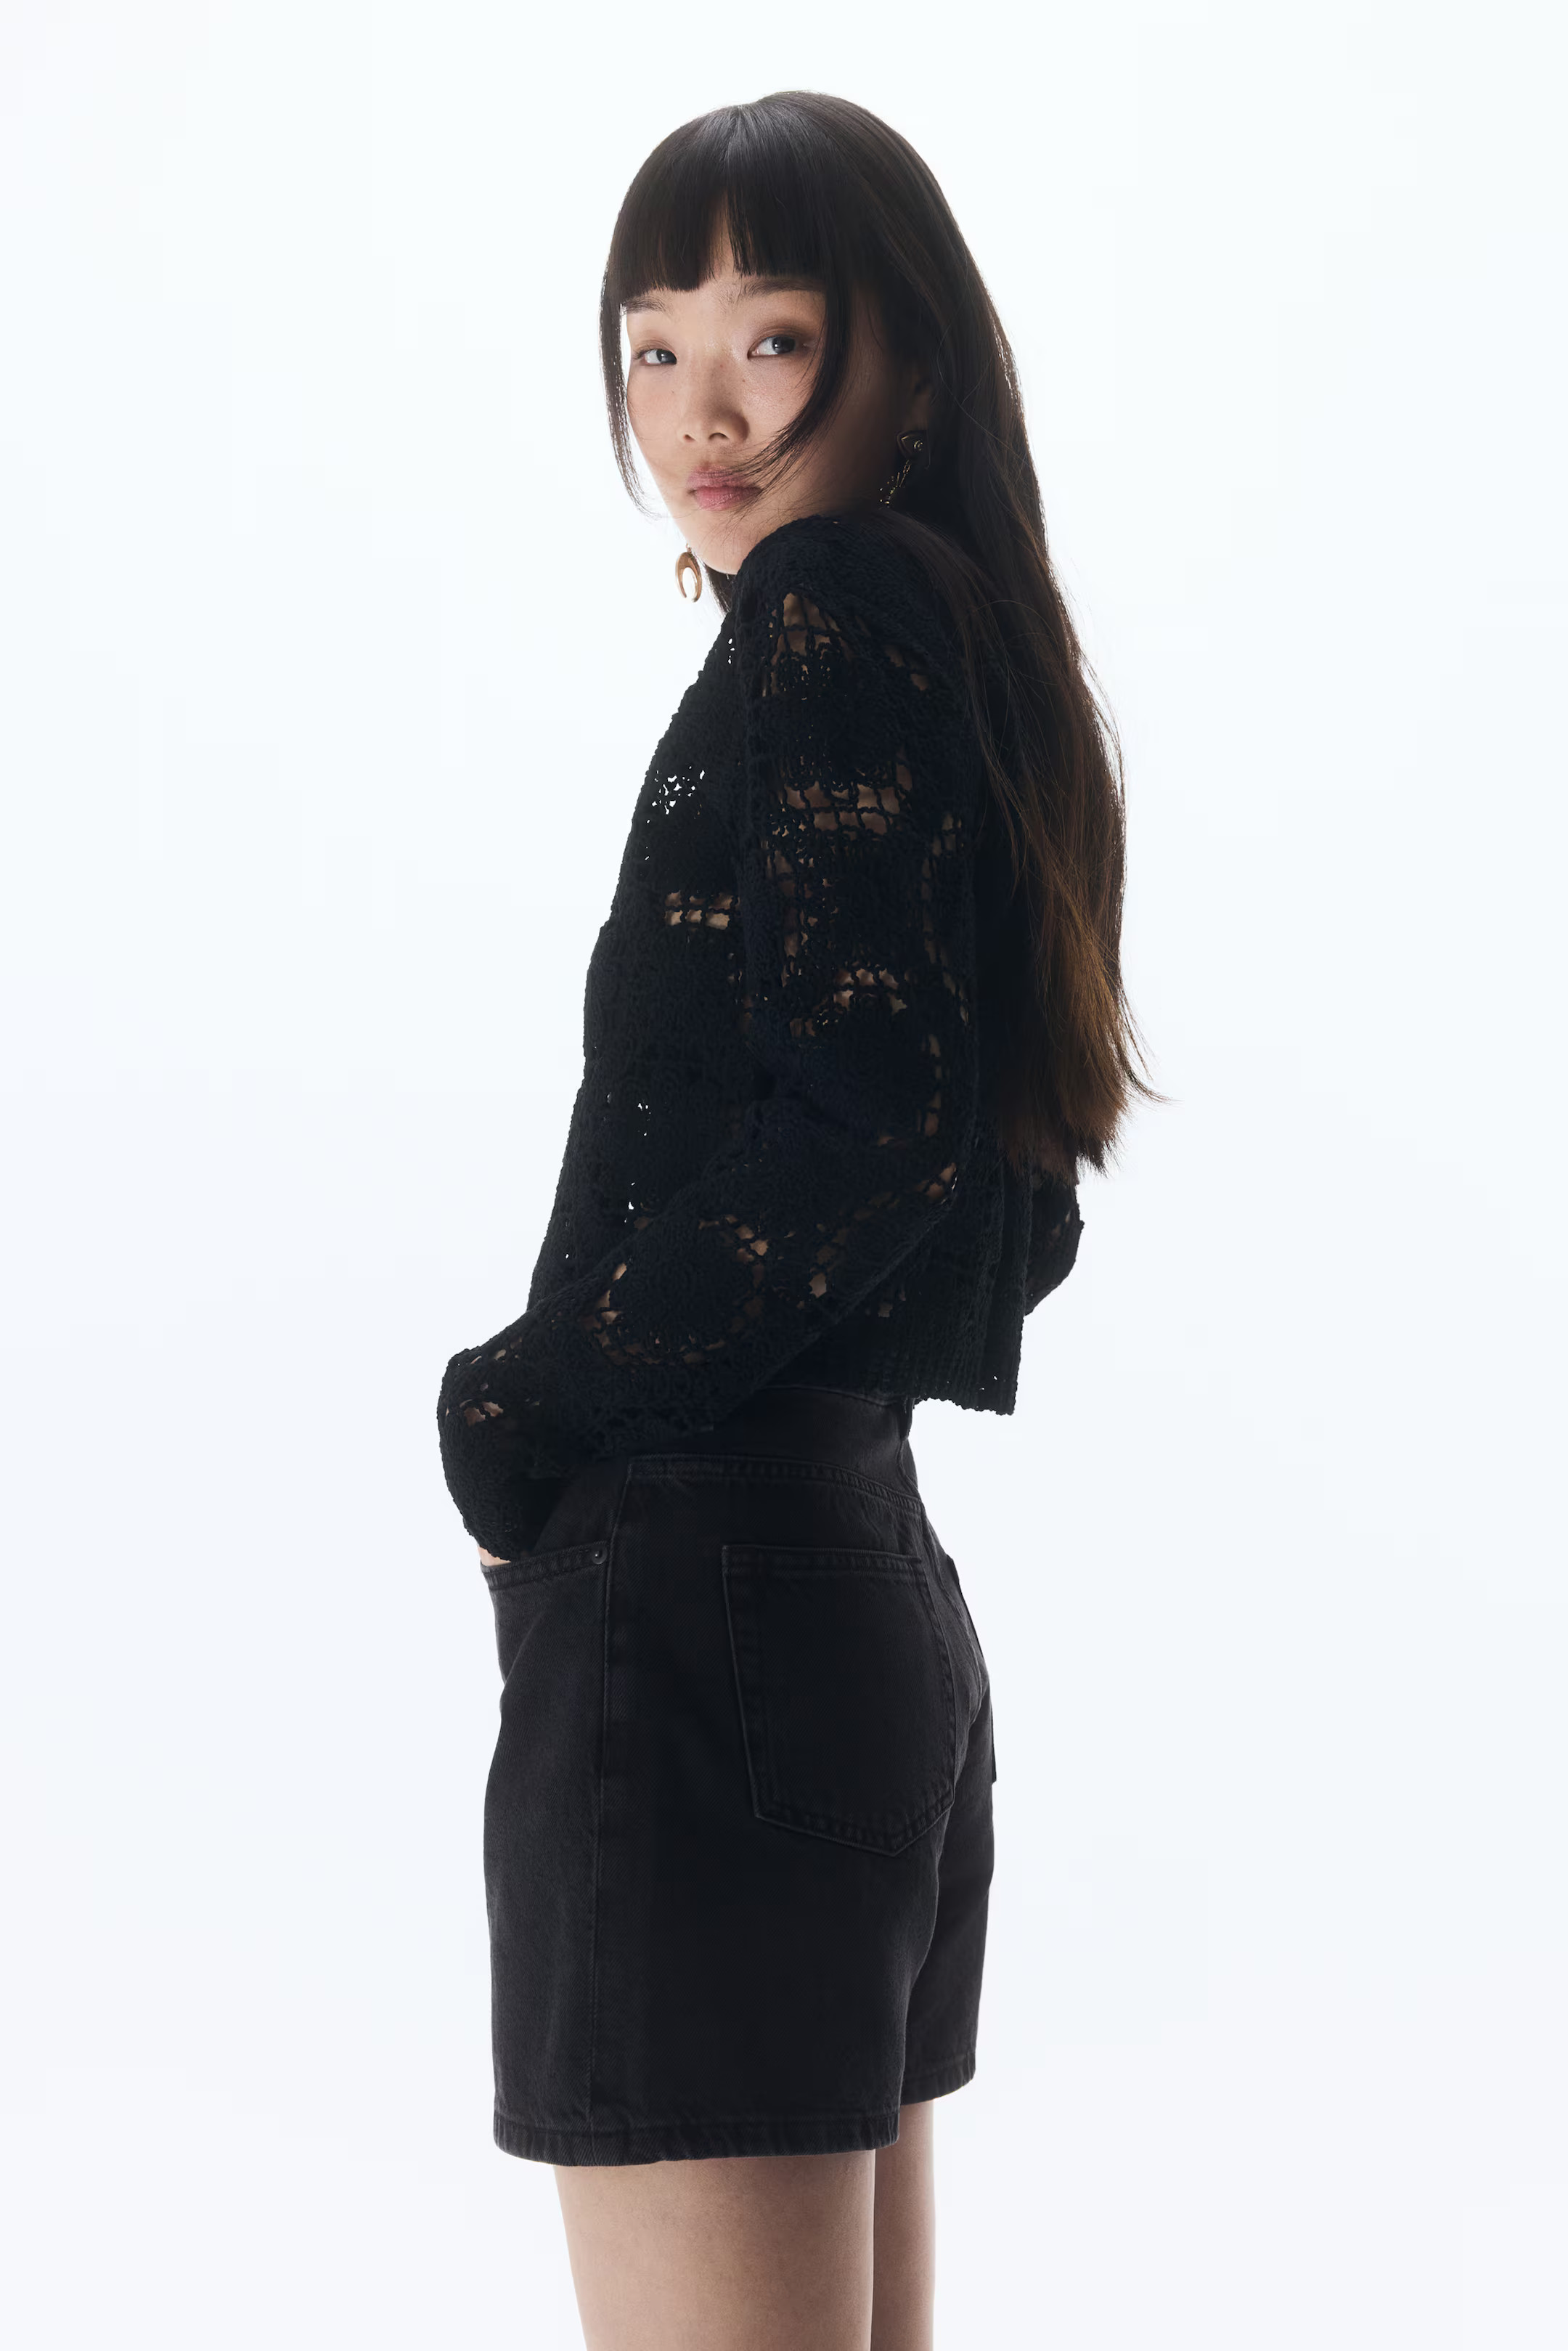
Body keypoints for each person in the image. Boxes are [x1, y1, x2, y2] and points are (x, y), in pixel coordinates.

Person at [436, 90, 1147, 2351]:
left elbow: (868, 1136)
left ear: (909, 365)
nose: (701, 414)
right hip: (853, 1600)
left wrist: (515, 1416)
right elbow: (996, 1182)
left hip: (713, 1615)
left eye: (771, 338)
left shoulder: (833, 616)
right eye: (652, 347)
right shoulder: (968, 644)